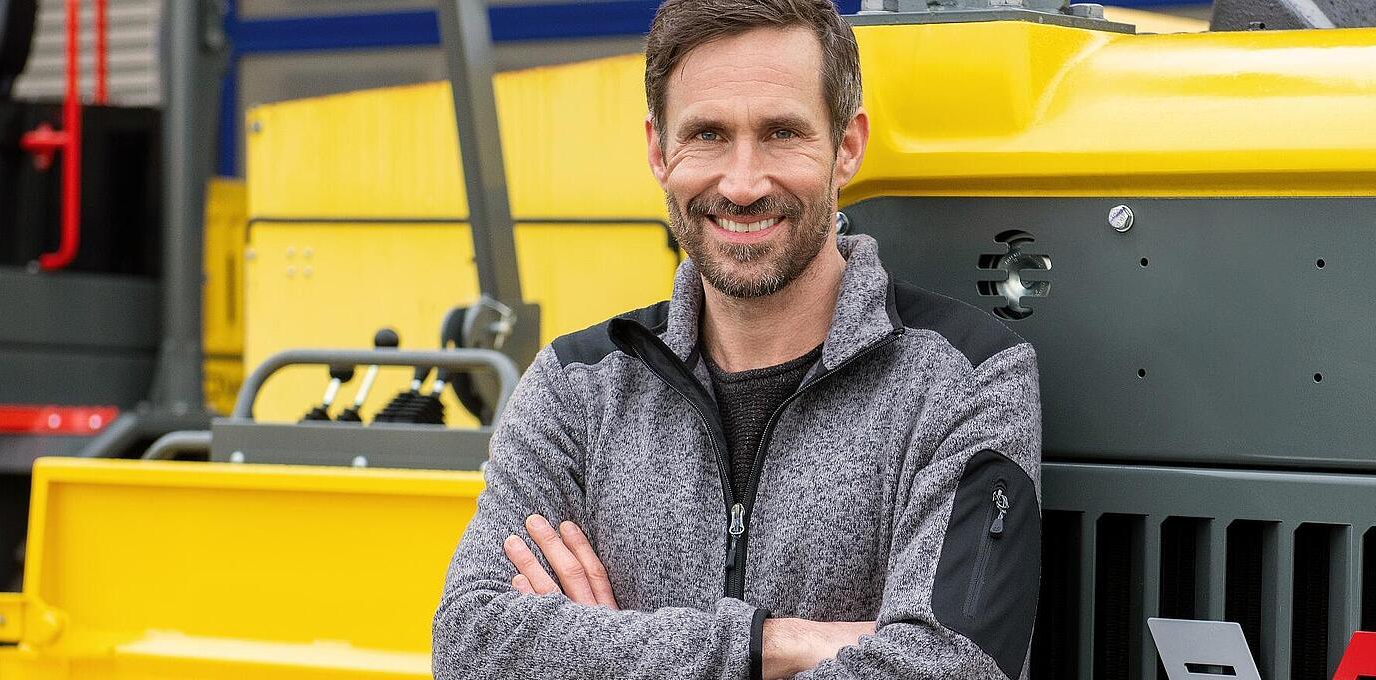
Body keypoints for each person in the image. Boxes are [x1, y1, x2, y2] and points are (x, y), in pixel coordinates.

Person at [430, 0, 1042, 677]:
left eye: (782, 133)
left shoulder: (965, 379)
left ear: (846, 147)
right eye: (708, 135)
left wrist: (605, 650)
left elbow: (949, 668)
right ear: (659, 152)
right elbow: (471, 643)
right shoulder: (576, 388)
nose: (743, 183)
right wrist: (769, 645)